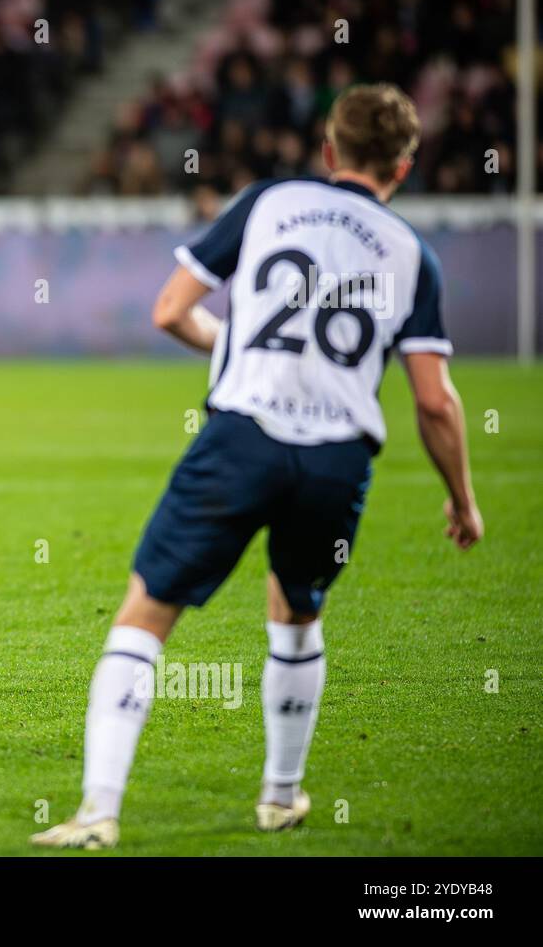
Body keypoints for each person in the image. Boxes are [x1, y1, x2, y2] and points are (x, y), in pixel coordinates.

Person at [33, 84, 483, 849]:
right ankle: (280, 797)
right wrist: (463, 501)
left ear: (330, 150)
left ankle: (98, 812)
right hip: (339, 461)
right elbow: (436, 403)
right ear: (404, 167)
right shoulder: (413, 254)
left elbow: (171, 309)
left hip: (243, 438)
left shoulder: (272, 204)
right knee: (297, 610)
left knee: (146, 613)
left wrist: (243, 346)